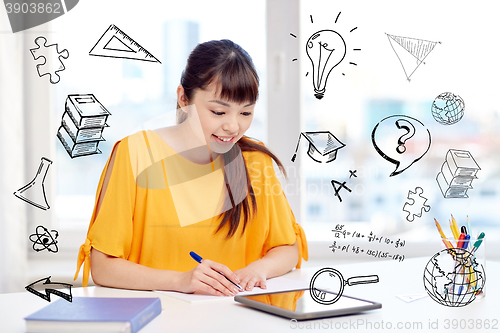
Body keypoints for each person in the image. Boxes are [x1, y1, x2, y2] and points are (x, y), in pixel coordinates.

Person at [74, 39, 308, 296]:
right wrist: (181, 281)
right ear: (184, 99)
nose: (233, 126)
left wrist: (260, 268)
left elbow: (287, 247)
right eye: (218, 112)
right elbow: (103, 267)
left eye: (245, 113)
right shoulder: (135, 153)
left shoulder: (255, 160)